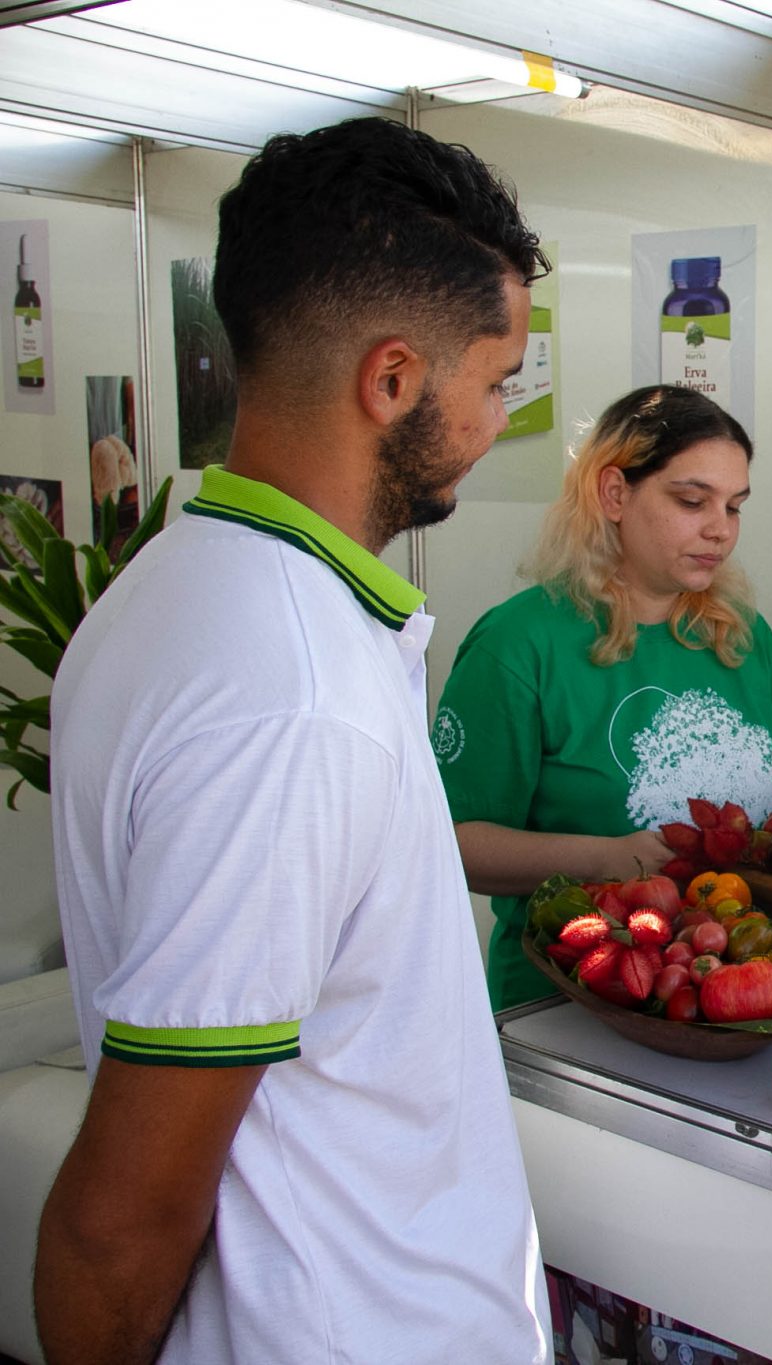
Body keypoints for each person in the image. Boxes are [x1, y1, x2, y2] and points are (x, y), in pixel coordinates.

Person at [35, 118, 551, 1365]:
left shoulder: (192, 588)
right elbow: (122, 1221)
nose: (497, 420)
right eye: (494, 383)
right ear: (392, 381)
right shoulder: (288, 697)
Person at [435, 383, 772, 1010]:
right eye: (693, 500)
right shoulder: (519, 645)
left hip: (738, 990)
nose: (720, 531)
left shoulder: (742, 636)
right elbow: (454, 839)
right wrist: (607, 858)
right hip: (568, 1006)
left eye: (735, 506)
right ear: (614, 494)